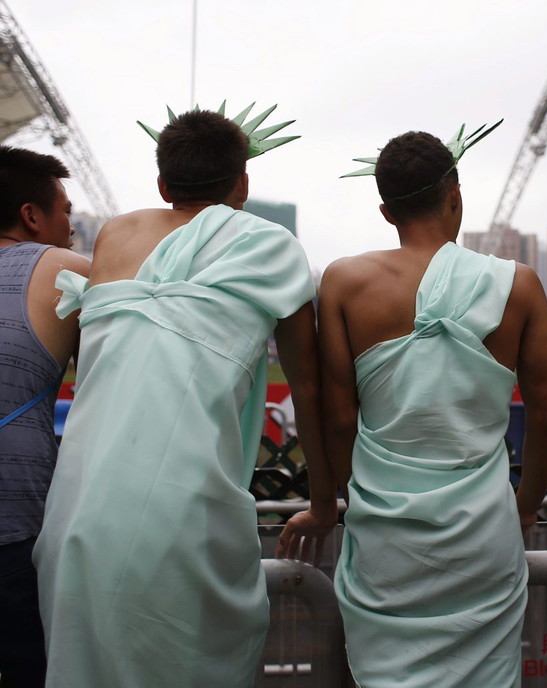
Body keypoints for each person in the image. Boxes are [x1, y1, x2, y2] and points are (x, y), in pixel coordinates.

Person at [32, 107, 333, 687]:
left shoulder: (117, 233)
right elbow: (309, 385)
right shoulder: (273, 245)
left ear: (164, 185)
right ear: (242, 183)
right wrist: (322, 502)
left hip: (76, 515)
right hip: (186, 515)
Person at [278, 127, 547, 687]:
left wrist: (346, 496)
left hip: (386, 533)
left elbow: (339, 419)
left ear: (386, 212)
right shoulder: (520, 284)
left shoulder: (343, 281)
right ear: (455, 194)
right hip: (485, 530)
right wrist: (524, 507)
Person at [0, 146, 89, 687]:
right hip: (19, 525)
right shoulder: (67, 271)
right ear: (32, 216)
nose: (72, 228)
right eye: (64, 213)